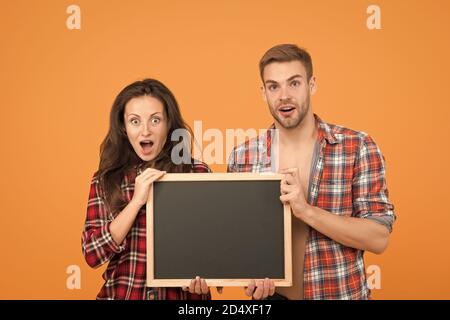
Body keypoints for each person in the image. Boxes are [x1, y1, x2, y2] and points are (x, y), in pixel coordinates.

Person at [228, 44, 396, 300]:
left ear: (312, 84)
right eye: (274, 86)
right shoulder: (243, 158)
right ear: (263, 93)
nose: (284, 95)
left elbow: (378, 238)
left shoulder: (357, 146)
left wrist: (305, 210)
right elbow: (239, 241)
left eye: (294, 83)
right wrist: (246, 275)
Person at [82, 79, 212, 300]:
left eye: (155, 120)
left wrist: (207, 278)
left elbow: (215, 246)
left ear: (169, 123)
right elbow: (93, 254)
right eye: (135, 121)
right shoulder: (105, 180)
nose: (145, 131)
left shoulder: (196, 173)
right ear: (123, 127)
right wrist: (135, 202)